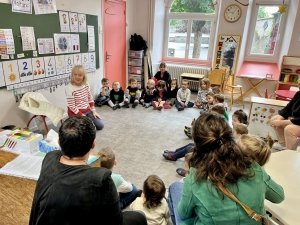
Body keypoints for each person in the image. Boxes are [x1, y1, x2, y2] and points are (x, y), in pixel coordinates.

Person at [168, 113, 284, 225]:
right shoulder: (253, 166)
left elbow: (184, 213)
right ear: (230, 135)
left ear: (197, 142)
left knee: (175, 187)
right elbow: (279, 197)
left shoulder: (194, 178)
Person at [29, 116, 147, 225]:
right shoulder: (101, 178)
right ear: (93, 144)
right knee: (139, 216)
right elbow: (116, 222)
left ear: (59, 142)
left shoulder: (49, 158)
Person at [65, 65, 104, 130]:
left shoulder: (86, 84)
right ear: (72, 75)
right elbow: (72, 107)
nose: (77, 77)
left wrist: (94, 111)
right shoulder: (69, 88)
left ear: (83, 76)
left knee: (100, 125)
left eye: (80, 75)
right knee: (91, 129)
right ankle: (72, 122)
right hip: (75, 113)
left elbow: (90, 98)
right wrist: (84, 116)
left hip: (87, 110)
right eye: (75, 74)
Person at [269, 81, 300, 150]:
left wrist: (281, 122)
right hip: (295, 120)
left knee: (289, 129)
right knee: (274, 119)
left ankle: (290, 150)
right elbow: (287, 108)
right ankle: (283, 145)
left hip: (298, 121)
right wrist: (279, 120)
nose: (298, 86)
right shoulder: (298, 94)